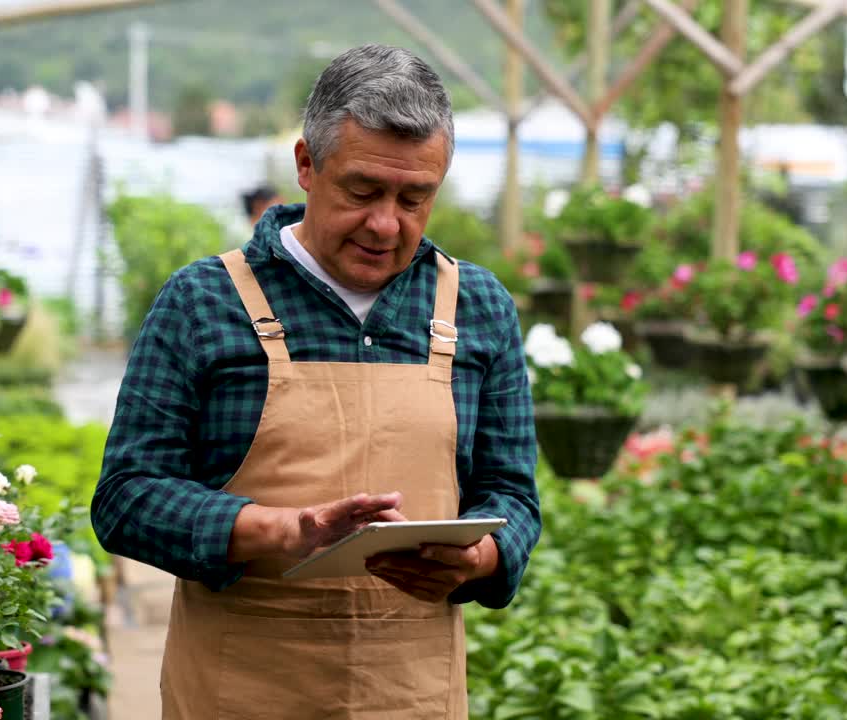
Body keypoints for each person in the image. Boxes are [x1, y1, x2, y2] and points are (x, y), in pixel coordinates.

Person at [92, 44, 541, 719]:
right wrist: (273, 529)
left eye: (414, 198)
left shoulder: (477, 306)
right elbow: (125, 499)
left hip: (411, 694)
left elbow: (513, 497)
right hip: (239, 691)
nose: (387, 224)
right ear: (307, 164)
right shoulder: (203, 302)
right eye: (362, 192)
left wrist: (480, 557)